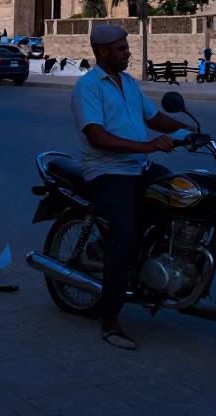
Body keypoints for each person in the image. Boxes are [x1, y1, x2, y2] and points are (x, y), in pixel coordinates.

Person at [71, 24, 188, 350]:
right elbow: (96, 136)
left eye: (127, 47)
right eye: (121, 49)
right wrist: (148, 147)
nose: (128, 52)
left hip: (140, 168)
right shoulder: (88, 87)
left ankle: (160, 267)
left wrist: (189, 127)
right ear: (103, 52)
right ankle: (110, 320)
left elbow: (153, 118)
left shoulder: (129, 83)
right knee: (125, 235)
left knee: (185, 196)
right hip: (107, 173)